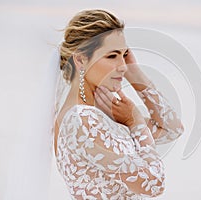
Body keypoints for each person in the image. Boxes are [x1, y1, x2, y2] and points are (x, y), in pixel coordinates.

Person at [53, 9, 185, 199]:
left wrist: (135, 73)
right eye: (112, 56)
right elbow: (154, 184)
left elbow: (173, 128)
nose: (122, 64)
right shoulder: (81, 120)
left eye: (124, 55)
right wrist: (135, 122)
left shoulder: (97, 112)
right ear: (81, 60)